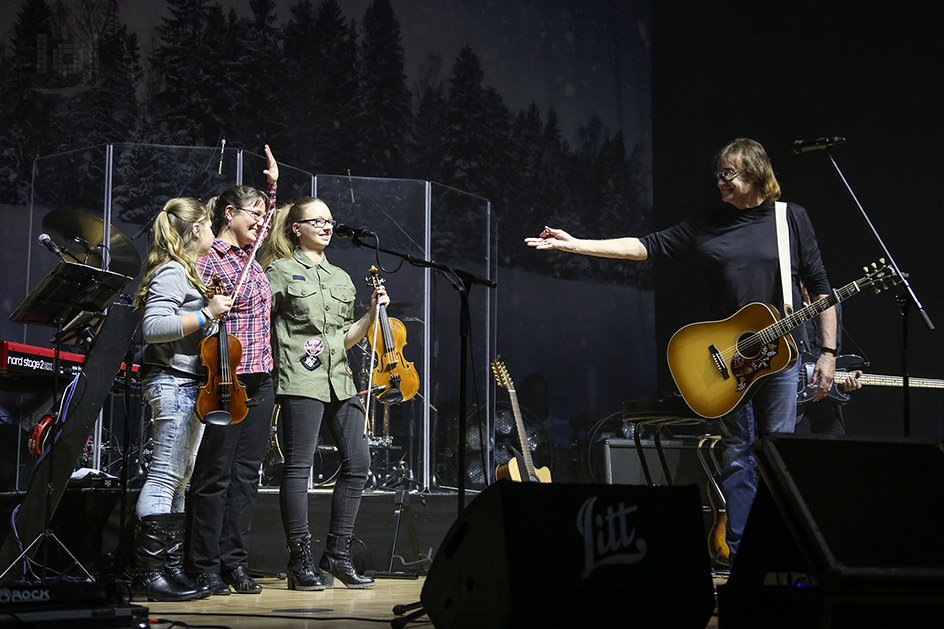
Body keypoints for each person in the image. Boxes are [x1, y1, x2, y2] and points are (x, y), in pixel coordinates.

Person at [526, 137, 837, 563]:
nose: (720, 181)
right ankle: (743, 556)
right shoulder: (709, 223)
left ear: (757, 173)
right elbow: (644, 246)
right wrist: (576, 244)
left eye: (729, 173)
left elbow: (821, 289)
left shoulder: (791, 220)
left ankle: (780, 553)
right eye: (719, 173)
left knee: (779, 453)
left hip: (782, 359)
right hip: (729, 361)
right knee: (739, 455)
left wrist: (828, 352)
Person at [262, 197, 387, 590]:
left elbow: (344, 339)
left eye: (330, 220)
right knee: (299, 468)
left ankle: (336, 554)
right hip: (299, 378)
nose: (327, 226)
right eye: (317, 220)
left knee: (359, 462)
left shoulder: (341, 279)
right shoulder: (278, 272)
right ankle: (299, 561)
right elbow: (261, 328)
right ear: (296, 228)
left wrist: (370, 314)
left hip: (339, 380)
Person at [185, 146, 278, 595]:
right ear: (228, 213)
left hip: (263, 378)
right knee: (215, 473)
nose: (261, 222)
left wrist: (272, 186)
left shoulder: (250, 257)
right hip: (227, 379)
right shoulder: (211, 258)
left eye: (264, 214)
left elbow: (270, 213)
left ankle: (233, 563)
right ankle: (202, 564)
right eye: (254, 214)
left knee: (246, 475)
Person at [134, 197, 233, 601]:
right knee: (164, 476)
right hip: (172, 383)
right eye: (209, 226)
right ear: (196, 230)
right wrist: (207, 314)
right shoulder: (172, 271)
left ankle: (170, 569)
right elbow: (153, 327)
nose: (213, 233)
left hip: (188, 383)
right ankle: (151, 574)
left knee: (180, 478)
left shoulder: (187, 272)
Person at [795, 289, 863, 436]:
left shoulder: (833, 306)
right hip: (794, 399)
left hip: (826, 400)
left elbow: (835, 354)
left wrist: (844, 382)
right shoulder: (789, 304)